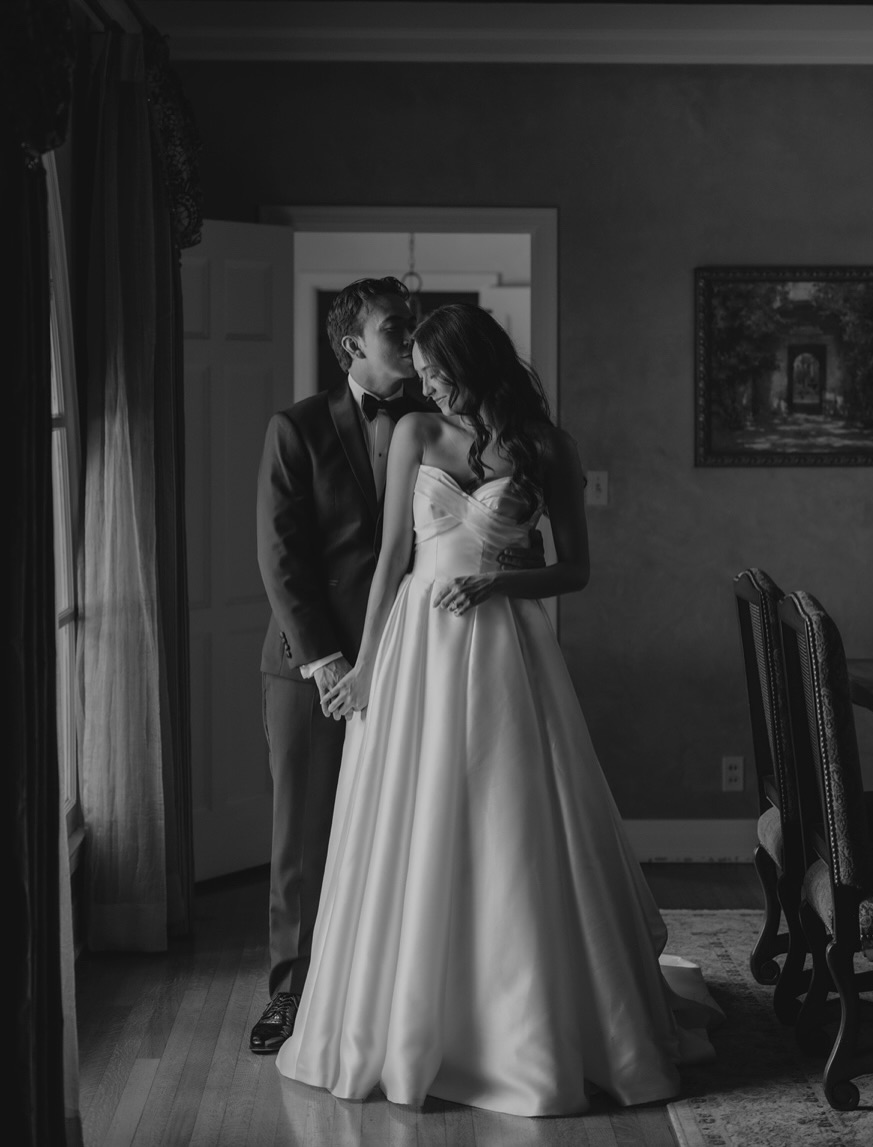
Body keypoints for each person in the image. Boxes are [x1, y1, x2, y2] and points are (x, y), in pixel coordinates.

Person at [274, 304, 720, 1116]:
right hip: (418, 652)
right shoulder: (414, 434)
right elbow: (389, 567)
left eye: (439, 372)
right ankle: (413, 1022)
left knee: (513, 824)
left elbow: (575, 570)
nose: (427, 385)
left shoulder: (549, 448)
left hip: (507, 649)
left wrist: (499, 582)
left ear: (477, 365)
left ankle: (526, 1022)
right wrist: (368, 667)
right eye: (421, 372)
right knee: (414, 822)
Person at [251, 280, 537, 1054]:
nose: (410, 339)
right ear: (352, 345)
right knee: (305, 837)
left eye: (413, 325)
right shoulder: (298, 427)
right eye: (395, 327)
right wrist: (332, 662)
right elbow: (281, 560)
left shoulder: (440, 424)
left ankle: (389, 995)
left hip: (419, 658)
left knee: (405, 827)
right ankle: (293, 994)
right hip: (315, 664)